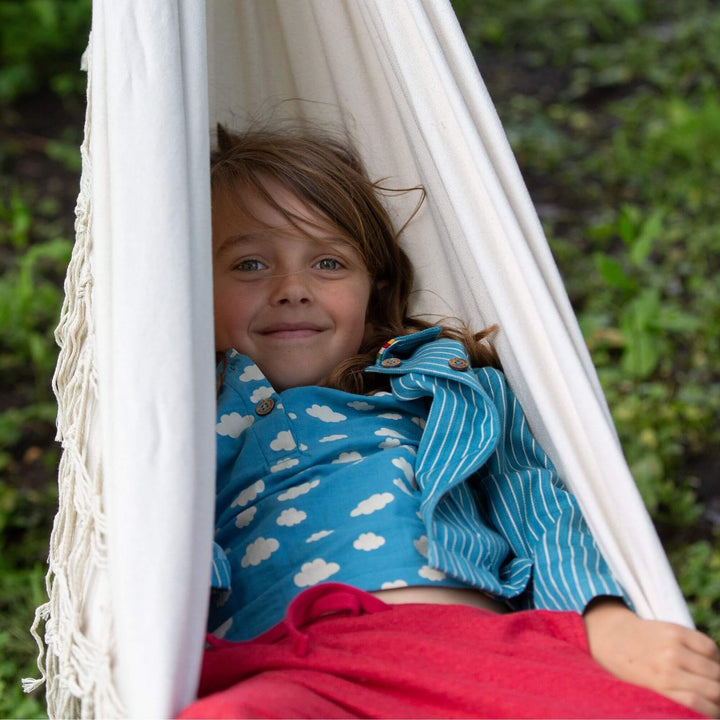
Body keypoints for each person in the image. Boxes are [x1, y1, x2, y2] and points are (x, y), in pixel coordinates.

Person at [179, 126, 720, 719]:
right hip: (298, 668)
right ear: (193, 291)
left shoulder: (440, 387)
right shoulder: (184, 419)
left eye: (328, 262)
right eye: (250, 263)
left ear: (373, 286)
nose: (291, 290)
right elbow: (160, 555)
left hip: (479, 655)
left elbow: (535, 505)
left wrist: (605, 621)